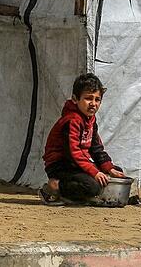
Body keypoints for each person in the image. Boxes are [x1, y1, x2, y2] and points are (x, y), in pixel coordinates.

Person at [38, 73, 125, 205]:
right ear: (75, 99)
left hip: (76, 163)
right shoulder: (71, 120)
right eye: (88, 98)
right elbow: (72, 153)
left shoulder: (90, 120)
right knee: (92, 186)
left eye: (97, 99)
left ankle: (83, 193)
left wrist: (108, 168)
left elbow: (96, 148)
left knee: (116, 172)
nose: (93, 104)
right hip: (61, 165)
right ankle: (55, 186)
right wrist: (94, 172)